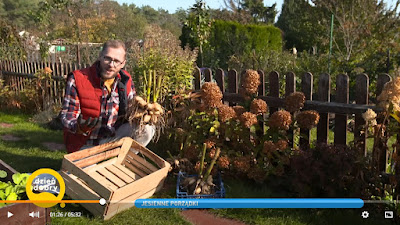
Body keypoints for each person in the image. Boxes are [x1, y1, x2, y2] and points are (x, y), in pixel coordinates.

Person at [61, 40, 154, 153]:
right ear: (100, 56)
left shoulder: (125, 80)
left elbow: (131, 110)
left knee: (147, 129)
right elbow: (67, 117)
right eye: (107, 58)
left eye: (116, 61)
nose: (111, 65)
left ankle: (122, 160)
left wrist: (143, 114)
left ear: (123, 63)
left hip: (113, 138)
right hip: (85, 143)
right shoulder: (78, 79)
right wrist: (80, 127)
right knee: (83, 171)